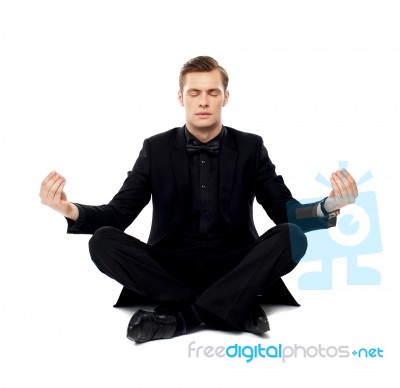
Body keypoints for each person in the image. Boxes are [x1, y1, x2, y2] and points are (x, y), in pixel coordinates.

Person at [39, 56, 358, 343]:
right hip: (170, 265)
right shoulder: (156, 148)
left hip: (235, 262)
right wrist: (71, 210)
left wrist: (328, 206)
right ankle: (231, 306)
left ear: (225, 97)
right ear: (181, 97)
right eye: (194, 93)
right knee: (103, 241)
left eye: (212, 92)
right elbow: (119, 214)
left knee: (292, 236)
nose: (203, 101)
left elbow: (283, 211)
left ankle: (183, 317)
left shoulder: (250, 147)